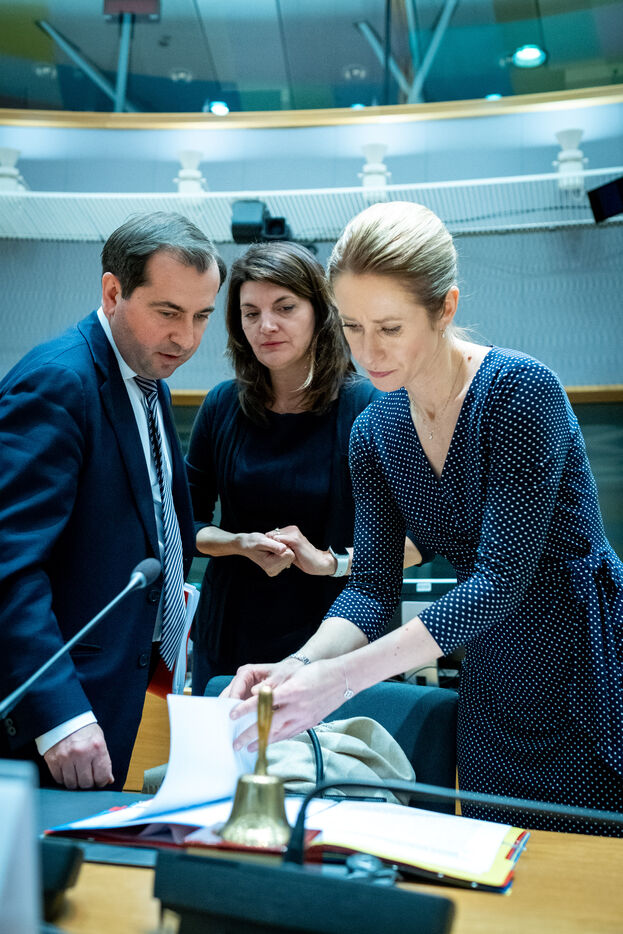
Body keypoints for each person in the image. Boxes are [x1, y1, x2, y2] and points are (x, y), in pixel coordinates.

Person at [227, 202, 623, 834]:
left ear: (445, 308)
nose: (369, 351)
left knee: (591, 861)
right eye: (352, 327)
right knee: (498, 850)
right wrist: (299, 666)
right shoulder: (375, 432)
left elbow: (498, 582)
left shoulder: (519, 392)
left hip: (586, 666)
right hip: (493, 678)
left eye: (390, 327)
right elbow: (371, 588)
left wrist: (339, 680)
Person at [0, 212, 224, 790]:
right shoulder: (58, 382)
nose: (187, 338)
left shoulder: (147, 381)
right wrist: (58, 714)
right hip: (53, 716)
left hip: (118, 690)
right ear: (112, 292)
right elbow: (9, 565)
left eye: (202, 316)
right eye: (168, 312)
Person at [186, 240, 423, 696]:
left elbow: (420, 541)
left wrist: (331, 562)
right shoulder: (221, 405)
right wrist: (237, 543)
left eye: (285, 307)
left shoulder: (371, 406)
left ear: (320, 311)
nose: (266, 326)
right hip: (232, 632)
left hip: (340, 634)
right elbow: (183, 525)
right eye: (250, 313)